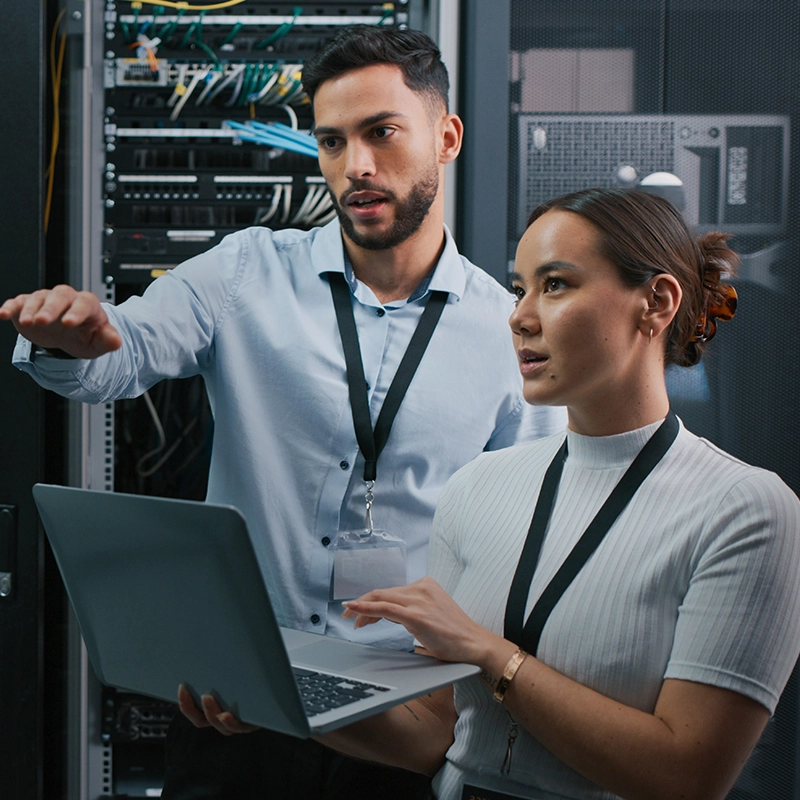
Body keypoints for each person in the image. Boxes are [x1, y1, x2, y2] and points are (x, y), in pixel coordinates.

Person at [0, 24, 564, 800]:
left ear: (447, 136)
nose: (355, 166)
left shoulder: (508, 335)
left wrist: (458, 711)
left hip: (400, 719)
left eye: (381, 133)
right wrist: (74, 340)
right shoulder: (245, 272)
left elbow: (521, 548)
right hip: (236, 703)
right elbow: (123, 353)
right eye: (332, 142)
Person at [324, 187, 800, 799]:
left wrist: (491, 655)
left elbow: (687, 778)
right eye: (519, 287)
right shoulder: (476, 486)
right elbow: (435, 733)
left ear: (655, 303)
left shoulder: (747, 512)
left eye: (555, 285)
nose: (519, 316)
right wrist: (280, 700)